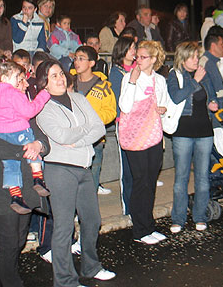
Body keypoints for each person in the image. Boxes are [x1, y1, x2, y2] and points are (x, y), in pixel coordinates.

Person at [35, 59, 116, 286]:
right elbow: (61, 136)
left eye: (61, 73)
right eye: (53, 76)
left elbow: (99, 127)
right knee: (64, 227)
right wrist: (84, 132)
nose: (60, 78)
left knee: (92, 220)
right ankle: (65, 280)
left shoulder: (79, 98)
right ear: (44, 83)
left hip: (84, 168)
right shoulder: (42, 107)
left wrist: (77, 137)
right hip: (60, 170)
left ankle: (91, 266)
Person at [0, 66, 51, 287]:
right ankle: (10, 281)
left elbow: (40, 137)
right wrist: (21, 152)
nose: (26, 84)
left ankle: (4, 278)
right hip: (0, 185)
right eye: (21, 79)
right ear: (5, 81)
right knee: (7, 240)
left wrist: (39, 145)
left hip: (26, 184)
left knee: (19, 238)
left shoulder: (21, 105)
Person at [117, 40, 170, 244]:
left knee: (150, 181)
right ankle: (140, 230)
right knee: (140, 182)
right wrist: (132, 82)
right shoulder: (130, 77)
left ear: (154, 59)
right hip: (134, 137)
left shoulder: (159, 80)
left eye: (143, 57)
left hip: (153, 134)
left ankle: (149, 226)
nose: (138, 60)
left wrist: (163, 109)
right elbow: (125, 106)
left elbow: (164, 103)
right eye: (137, 56)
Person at [0, 59, 51, 213]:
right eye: (18, 78)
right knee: (31, 148)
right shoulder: (13, 93)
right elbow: (29, 112)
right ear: (4, 79)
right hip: (17, 130)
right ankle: (38, 177)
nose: (22, 82)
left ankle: (16, 196)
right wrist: (43, 96)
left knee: (10, 165)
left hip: (0, 135)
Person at [167, 42, 215, 233]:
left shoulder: (203, 73)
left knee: (203, 177)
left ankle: (200, 216)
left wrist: (213, 102)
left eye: (197, 56)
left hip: (204, 131)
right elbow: (177, 97)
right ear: (183, 57)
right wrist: (195, 80)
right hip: (183, 132)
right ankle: (178, 218)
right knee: (181, 177)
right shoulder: (175, 75)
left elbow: (210, 95)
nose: (197, 59)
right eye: (193, 56)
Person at [70, 45, 117, 195]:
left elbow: (111, 111)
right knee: (73, 179)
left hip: (95, 139)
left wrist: (94, 120)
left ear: (91, 63)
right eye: (76, 58)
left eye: (81, 59)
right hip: (72, 138)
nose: (77, 62)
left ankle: (88, 214)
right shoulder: (68, 83)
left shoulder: (103, 85)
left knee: (92, 178)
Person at [108, 37, 136, 215]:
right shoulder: (117, 73)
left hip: (140, 122)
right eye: (131, 48)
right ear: (123, 50)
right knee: (127, 166)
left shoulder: (137, 69)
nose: (134, 51)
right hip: (124, 123)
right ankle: (128, 206)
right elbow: (119, 100)